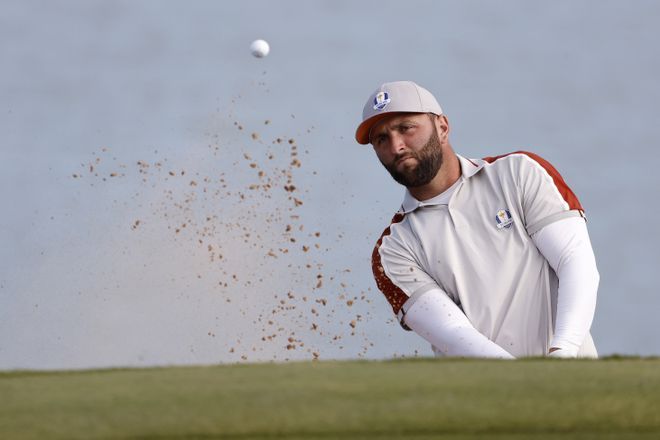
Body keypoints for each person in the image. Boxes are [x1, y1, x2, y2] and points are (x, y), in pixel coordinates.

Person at [355, 81, 599, 358]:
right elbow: (454, 334)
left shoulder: (520, 172)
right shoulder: (392, 251)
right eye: (381, 139)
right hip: (487, 395)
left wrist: (563, 353)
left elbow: (576, 263)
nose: (396, 146)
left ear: (442, 127)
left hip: (577, 378)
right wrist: (527, 381)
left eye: (406, 128)